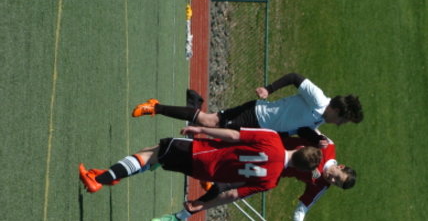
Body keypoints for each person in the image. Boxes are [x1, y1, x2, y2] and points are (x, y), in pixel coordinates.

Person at [78, 126, 322, 219]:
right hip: (204, 172)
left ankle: (99, 179)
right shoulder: (271, 182)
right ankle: (115, 174)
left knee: (154, 153)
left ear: (300, 148)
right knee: (155, 155)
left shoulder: (272, 140)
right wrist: (201, 205)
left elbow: (234, 135)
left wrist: (202, 129)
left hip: (202, 152)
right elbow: (232, 194)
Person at [149, 131, 357, 221]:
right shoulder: (327, 145)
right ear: (340, 166)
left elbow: (304, 206)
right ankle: (166, 154)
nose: (331, 179)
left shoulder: (320, 185)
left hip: (262, 172)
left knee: (222, 189)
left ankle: (178, 216)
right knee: (218, 140)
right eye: (336, 177)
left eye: (335, 183)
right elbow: (307, 127)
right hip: (263, 147)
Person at [130, 73, 363, 135]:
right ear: (337, 110)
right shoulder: (318, 98)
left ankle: (187, 104)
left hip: (260, 131)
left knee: (210, 128)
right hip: (256, 115)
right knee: (208, 122)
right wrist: (268, 89)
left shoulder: (319, 121)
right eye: (342, 120)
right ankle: (155, 107)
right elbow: (294, 77)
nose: (339, 124)